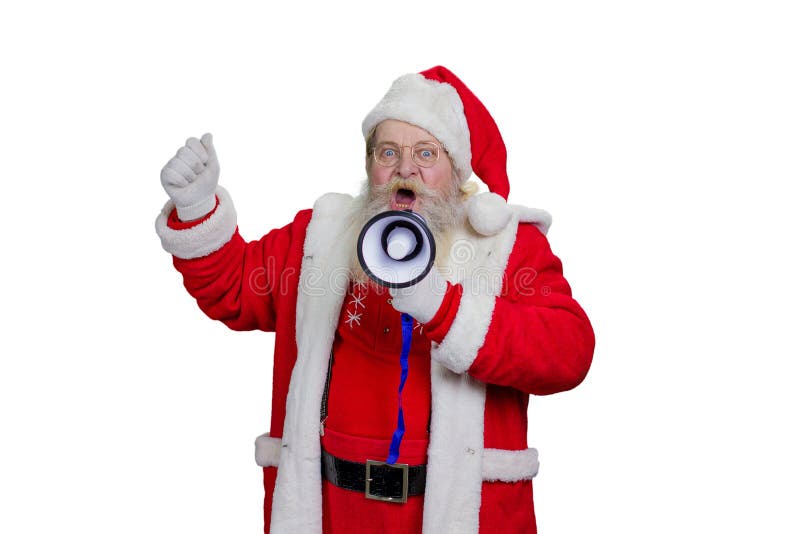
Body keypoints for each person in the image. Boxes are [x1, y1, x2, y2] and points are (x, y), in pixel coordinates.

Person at [156, 66, 594, 534]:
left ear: (457, 171)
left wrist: (444, 308)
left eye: (426, 152)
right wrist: (197, 207)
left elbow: (569, 352)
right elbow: (232, 288)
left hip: (458, 515)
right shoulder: (319, 237)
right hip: (332, 513)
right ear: (370, 167)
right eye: (389, 152)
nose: (406, 169)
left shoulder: (505, 247)